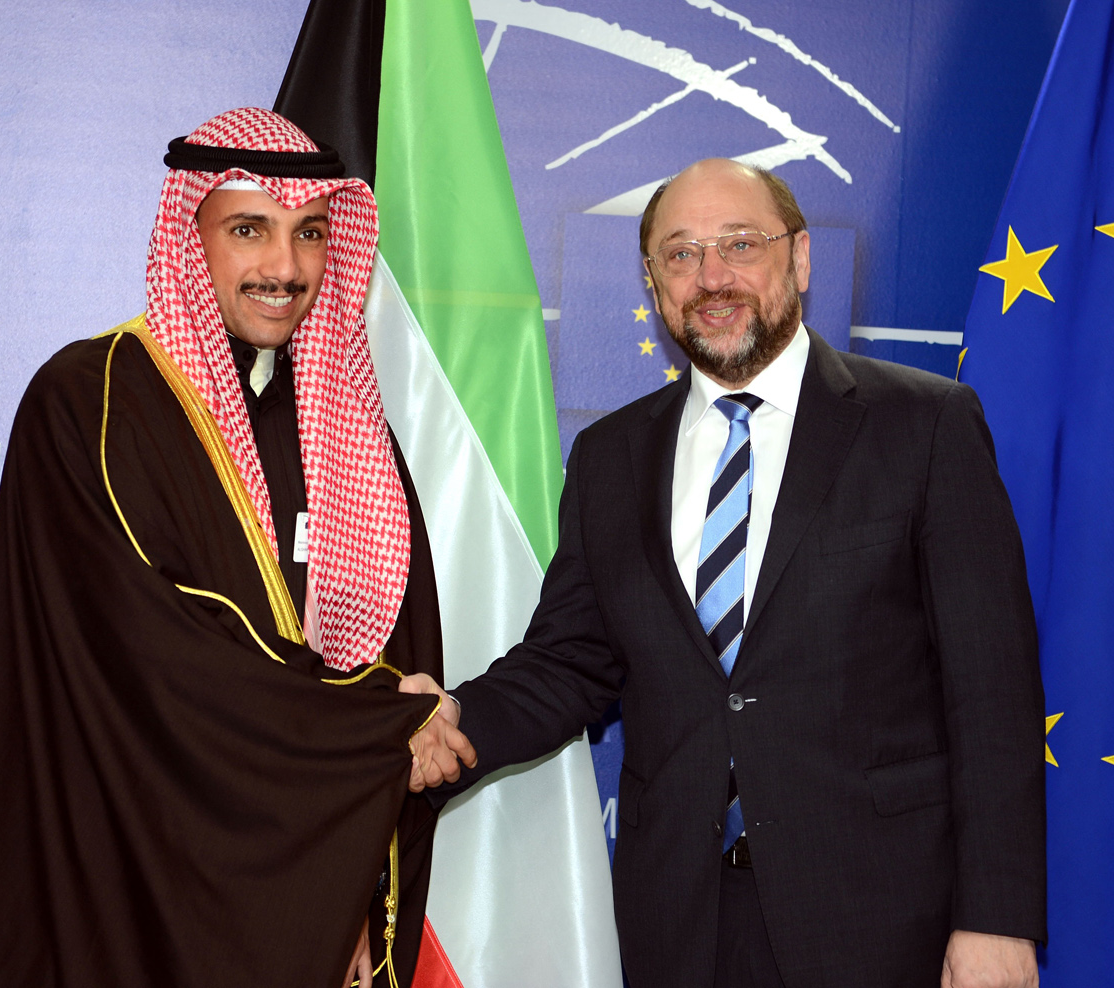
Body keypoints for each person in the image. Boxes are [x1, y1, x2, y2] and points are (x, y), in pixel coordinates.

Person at [403, 159, 1046, 988]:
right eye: (680, 254)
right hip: (678, 920)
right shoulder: (611, 458)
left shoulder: (924, 427)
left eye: (741, 244)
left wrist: (994, 918)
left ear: (801, 258)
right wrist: (452, 720)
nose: (713, 277)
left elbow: (991, 692)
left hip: (881, 918)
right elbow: (570, 660)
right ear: (652, 282)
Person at [0, 108, 455, 988]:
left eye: (310, 234)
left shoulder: (346, 426)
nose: (285, 267)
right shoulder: (90, 400)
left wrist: (350, 893)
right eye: (249, 231)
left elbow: (401, 646)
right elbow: (161, 660)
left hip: (299, 898)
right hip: (108, 882)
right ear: (189, 238)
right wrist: (384, 718)